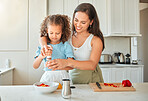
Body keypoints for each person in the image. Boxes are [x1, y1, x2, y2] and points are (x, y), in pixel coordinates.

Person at [40, 3, 105, 84]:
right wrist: (44, 46)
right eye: (76, 20)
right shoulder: (68, 35)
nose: (78, 25)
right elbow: (44, 36)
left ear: (91, 22)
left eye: (83, 22)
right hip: (72, 78)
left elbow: (92, 65)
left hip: (91, 80)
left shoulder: (95, 40)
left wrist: (67, 62)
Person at [33, 14, 75, 84]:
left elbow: (72, 66)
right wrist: (41, 56)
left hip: (63, 77)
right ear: (47, 30)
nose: (54, 36)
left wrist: (58, 66)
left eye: (57, 33)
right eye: (51, 33)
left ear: (62, 32)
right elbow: (35, 66)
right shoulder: (44, 46)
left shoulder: (65, 45)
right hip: (48, 77)